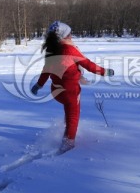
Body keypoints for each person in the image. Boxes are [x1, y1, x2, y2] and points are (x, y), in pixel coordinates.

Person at [31, 21, 114, 153]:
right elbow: (89, 65)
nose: (71, 36)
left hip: (56, 91)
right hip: (70, 91)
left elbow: (46, 71)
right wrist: (105, 72)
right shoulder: (70, 50)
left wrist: (38, 85)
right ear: (65, 37)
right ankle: (68, 143)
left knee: (68, 111)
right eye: (70, 34)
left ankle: (66, 128)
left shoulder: (51, 50)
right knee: (73, 116)